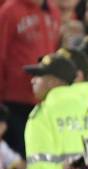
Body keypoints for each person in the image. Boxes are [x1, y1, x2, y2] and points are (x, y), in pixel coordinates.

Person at [0, 0, 61, 158]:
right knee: (20, 156)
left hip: (46, 99)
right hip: (14, 101)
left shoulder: (53, 10)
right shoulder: (10, 10)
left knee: (41, 154)